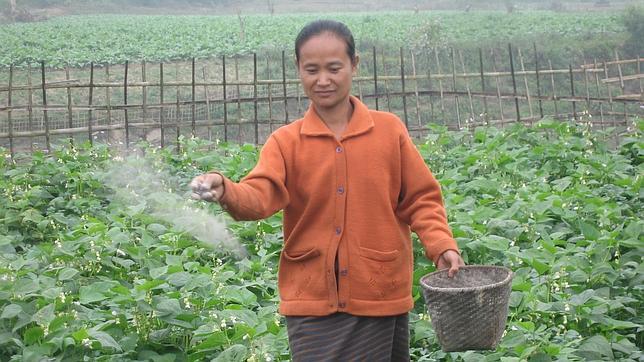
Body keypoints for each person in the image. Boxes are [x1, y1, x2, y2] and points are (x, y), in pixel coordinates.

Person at [190, 19, 464, 362]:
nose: (323, 80)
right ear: (298, 70)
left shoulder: (388, 131)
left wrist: (441, 246)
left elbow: (421, 199)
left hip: (378, 291)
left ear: (354, 65)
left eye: (334, 68)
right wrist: (226, 189)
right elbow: (259, 196)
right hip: (312, 299)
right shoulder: (286, 142)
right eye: (312, 70)